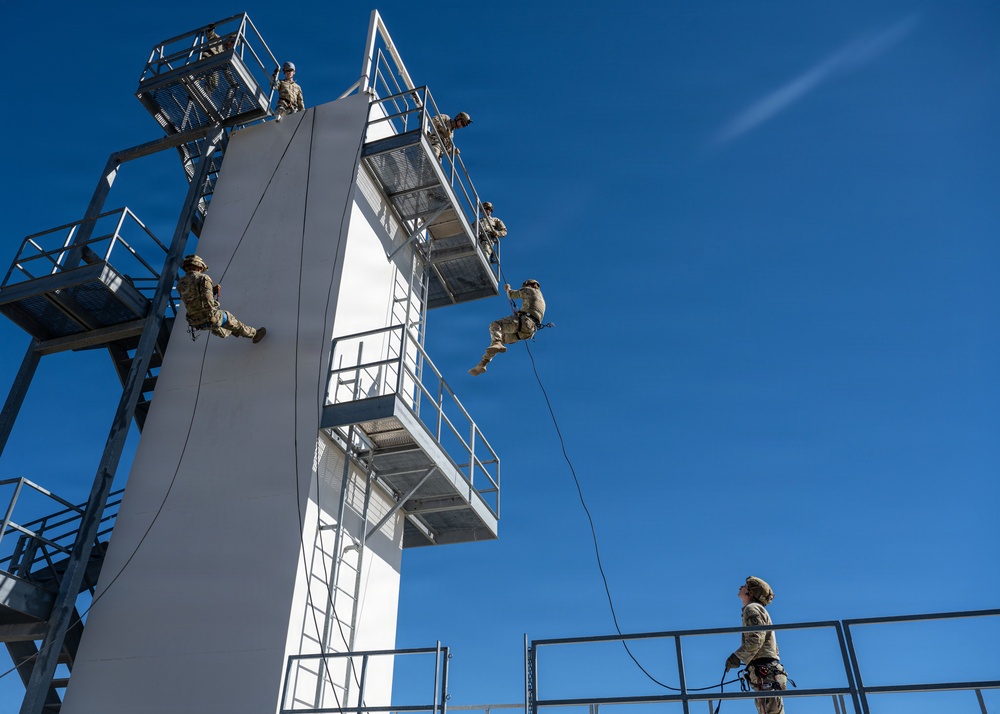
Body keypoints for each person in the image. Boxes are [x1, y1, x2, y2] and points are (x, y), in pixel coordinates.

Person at [725, 576, 788, 714]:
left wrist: (737, 656)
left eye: (745, 586)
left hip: (765, 671)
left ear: (751, 592)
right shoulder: (758, 609)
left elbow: (756, 638)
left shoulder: (752, 609)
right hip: (767, 670)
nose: (740, 587)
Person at [177, 255, 266, 343]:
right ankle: (255, 334)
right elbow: (207, 298)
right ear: (199, 266)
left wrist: (213, 291)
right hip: (209, 317)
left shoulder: (180, 283)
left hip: (194, 321)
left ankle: (228, 330)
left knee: (223, 328)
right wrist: (211, 314)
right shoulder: (203, 278)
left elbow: (193, 298)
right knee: (230, 319)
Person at [469, 279, 544, 376]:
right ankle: (483, 363)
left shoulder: (530, 290)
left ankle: (496, 345)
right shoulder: (541, 300)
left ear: (529, 285)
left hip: (524, 322)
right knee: (500, 338)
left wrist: (508, 289)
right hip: (529, 331)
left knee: (496, 325)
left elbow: (512, 294)